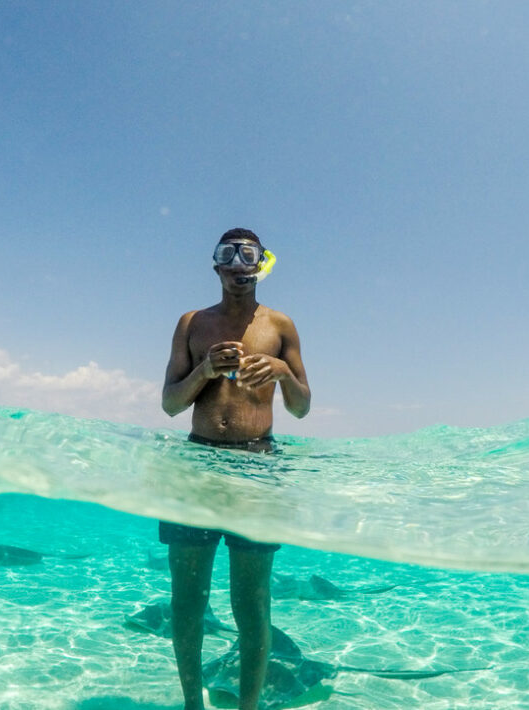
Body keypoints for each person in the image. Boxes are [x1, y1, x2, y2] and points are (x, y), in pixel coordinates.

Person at [160, 228, 311, 710]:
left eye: (249, 256)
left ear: (261, 264)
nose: (239, 265)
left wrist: (283, 373)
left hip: (257, 466)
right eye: (229, 256)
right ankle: (192, 706)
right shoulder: (191, 323)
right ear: (216, 265)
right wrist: (203, 370)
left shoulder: (281, 326)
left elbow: (303, 409)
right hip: (197, 463)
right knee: (187, 601)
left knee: (251, 605)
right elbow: (168, 405)